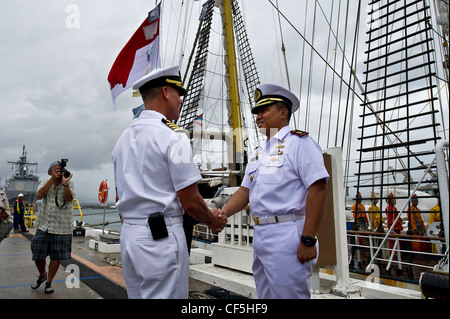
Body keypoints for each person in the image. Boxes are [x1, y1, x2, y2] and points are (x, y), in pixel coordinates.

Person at [112, 65, 227, 299]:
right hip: (160, 239)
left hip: (129, 237)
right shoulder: (174, 136)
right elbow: (191, 202)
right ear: (166, 92)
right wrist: (212, 221)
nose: (181, 101)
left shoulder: (123, 139)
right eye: (178, 95)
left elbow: (118, 195)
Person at [217, 83, 329, 299]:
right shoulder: (260, 152)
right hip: (261, 235)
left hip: (287, 233)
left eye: (264, 110)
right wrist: (222, 215)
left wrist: (308, 239)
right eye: (257, 112)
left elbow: (318, 189)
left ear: (283, 112)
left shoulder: (299, 143)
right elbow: (244, 192)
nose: (258, 116)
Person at [30, 161, 75, 294]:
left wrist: (65, 183)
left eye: (60, 170)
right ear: (50, 172)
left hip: (62, 227)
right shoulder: (45, 182)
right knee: (37, 253)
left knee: (56, 256)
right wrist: (52, 180)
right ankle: (42, 274)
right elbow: (40, 195)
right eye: (55, 170)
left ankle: (49, 282)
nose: (58, 172)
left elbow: (68, 199)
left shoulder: (69, 183)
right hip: (44, 225)